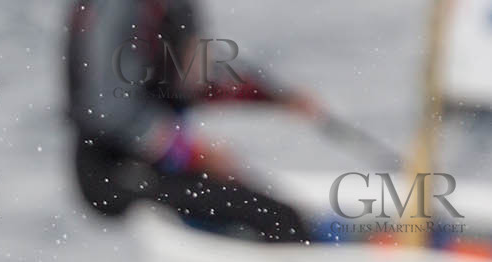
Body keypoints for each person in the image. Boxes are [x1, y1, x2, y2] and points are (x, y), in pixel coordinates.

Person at [65, 0, 320, 241]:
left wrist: (275, 97)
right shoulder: (117, 7)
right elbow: (107, 110)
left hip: (158, 163)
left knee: (279, 212)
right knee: (276, 219)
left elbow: (196, 79)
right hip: (113, 170)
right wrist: (195, 153)